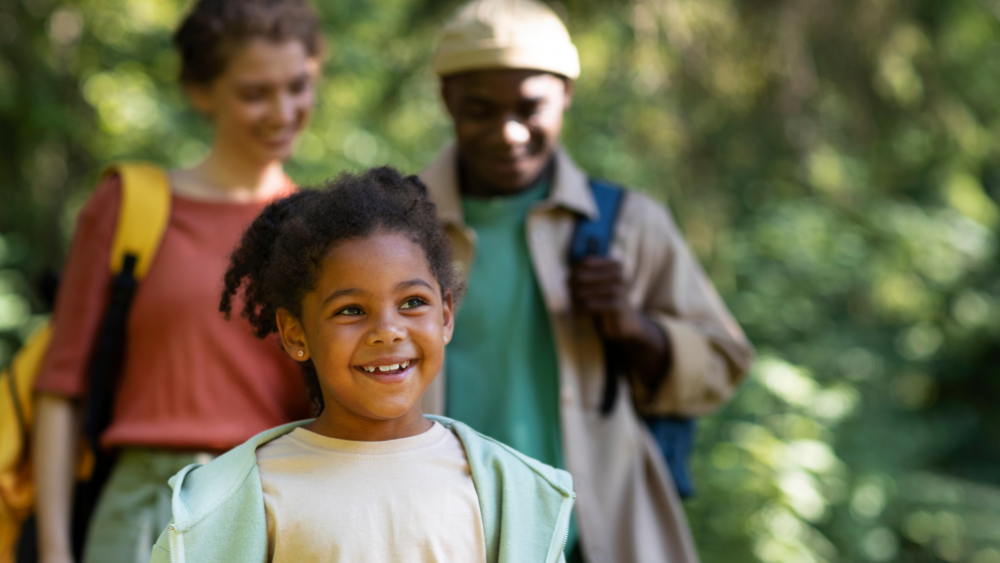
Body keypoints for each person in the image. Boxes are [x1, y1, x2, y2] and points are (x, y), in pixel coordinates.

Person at [418, 1, 755, 561]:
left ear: (566, 97)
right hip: (435, 536)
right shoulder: (395, 227)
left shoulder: (625, 222)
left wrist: (635, 328)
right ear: (447, 99)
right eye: (480, 109)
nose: (508, 132)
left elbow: (723, 362)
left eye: (531, 108)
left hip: (597, 537)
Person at [149, 167, 575, 563]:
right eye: (351, 310)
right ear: (296, 334)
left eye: (412, 303)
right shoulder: (231, 498)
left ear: (446, 315)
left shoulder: (513, 492)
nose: (387, 331)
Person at [32, 1, 322, 561]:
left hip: (280, 511)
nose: (282, 111)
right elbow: (59, 388)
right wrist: (53, 548)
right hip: (142, 516)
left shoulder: (322, 229)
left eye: (297, 86)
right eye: (255, 92)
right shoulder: (127, 206)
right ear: (201, 90)